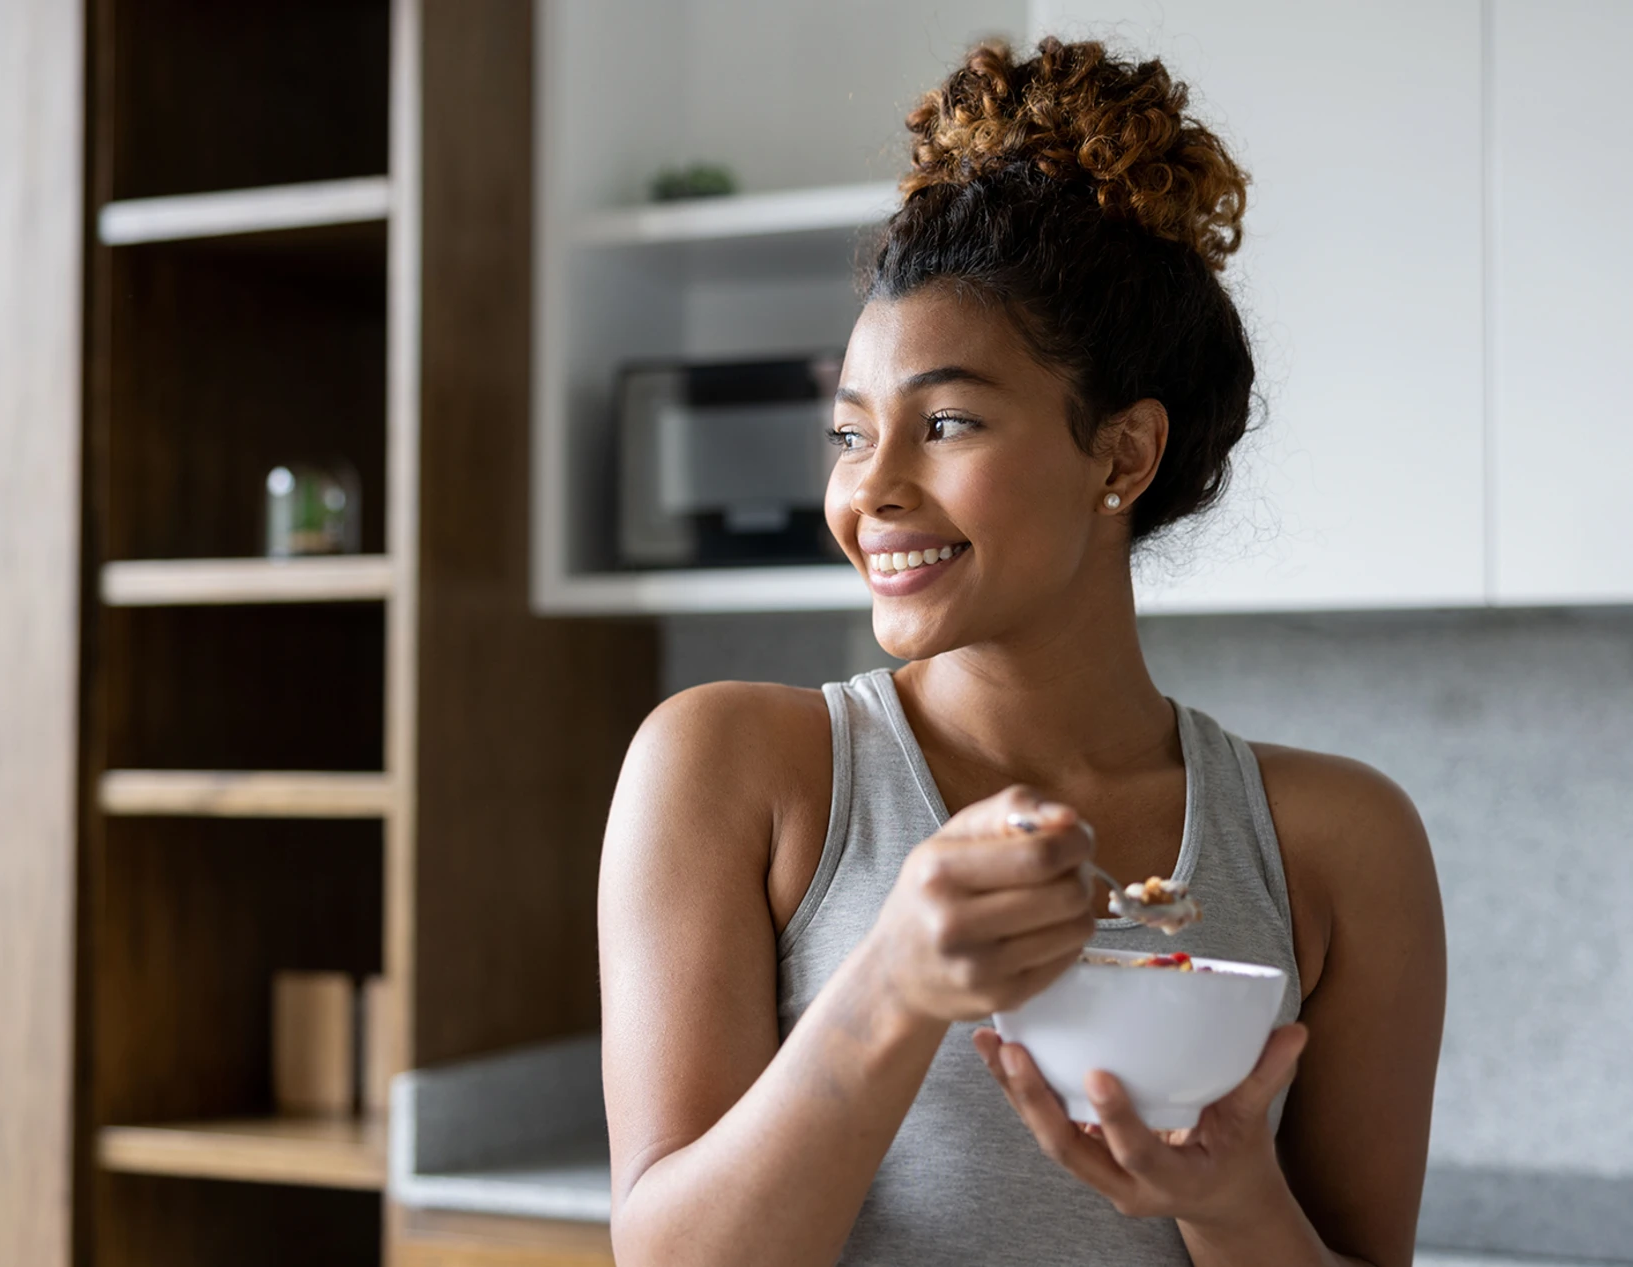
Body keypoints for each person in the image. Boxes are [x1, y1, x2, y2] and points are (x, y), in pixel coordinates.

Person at [597, 35, 1447, 1267]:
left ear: (1121, 455)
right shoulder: (734, 768)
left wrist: (1226, 1198)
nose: (869, 490)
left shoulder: (1338, 846)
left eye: (942, 422)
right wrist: (892, 979)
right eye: (849, 434)